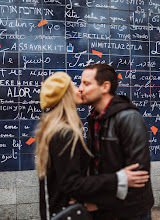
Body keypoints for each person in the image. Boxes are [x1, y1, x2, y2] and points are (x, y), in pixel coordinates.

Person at [35, 71, 150, 220]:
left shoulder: (56, 128)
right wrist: (118, 179)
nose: (80, 89)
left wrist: (96, 202)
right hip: (70, 211)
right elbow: (71, 182)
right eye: (75, 86)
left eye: (85, 83)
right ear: (66, 95)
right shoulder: (64, 133)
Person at [79, 63, 154, 220]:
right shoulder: (94, 118)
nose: (80, 89)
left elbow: (138, 175)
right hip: (105, 209)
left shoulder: (128, 118)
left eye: (86, 83)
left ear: (105, 86)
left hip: (130, 213)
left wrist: (100, 203)